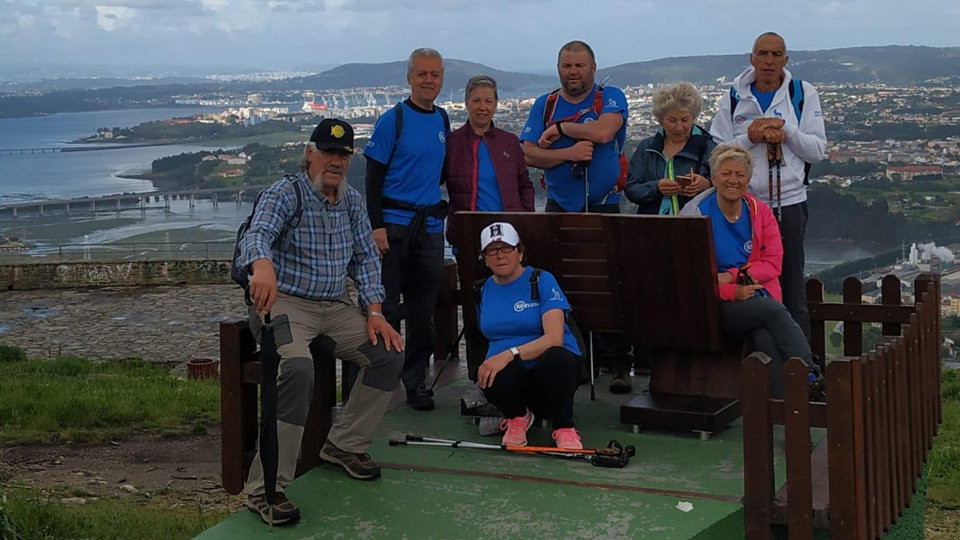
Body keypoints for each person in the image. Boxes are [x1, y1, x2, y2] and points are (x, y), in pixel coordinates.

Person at [237, 118, 404, 526]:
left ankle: (344, 443)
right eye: (328, 152)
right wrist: (262, 265)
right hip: (286, 303)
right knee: (295, 368)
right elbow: (257, 233)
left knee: (388, 353)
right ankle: (265, 488)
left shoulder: (351, 203)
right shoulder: (286, 193)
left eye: (343, 154)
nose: (336, 161)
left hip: (334, 305)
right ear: (310, 153)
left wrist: (376, 312)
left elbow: (366, 259)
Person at [520, 40, 632, 393]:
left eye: (579, 65)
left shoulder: (610, 96)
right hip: (560, 204)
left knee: (609, 282)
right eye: (567, 65)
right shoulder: (545, 103)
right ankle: (575, 360)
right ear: (558, 68)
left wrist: (563, 130)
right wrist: (569, 153)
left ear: (593, 67)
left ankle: (617, 363)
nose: (572, 72)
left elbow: (603, 132)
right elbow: (529, 153)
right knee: (559, 285)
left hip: (602, 203)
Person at [709, 32, 826, 342]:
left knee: (790, 283)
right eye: (763, 54)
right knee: (746, 281)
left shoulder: (802, 94)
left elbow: (816, 150)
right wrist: (751, 135)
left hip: (788, 202)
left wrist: (785, 129)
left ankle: (801, 367)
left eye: (776, 55)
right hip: (742, 204)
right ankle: (759, 357)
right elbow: (716, 152)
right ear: (752, 58)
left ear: (785, 61)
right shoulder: (733, 96)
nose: (769, 61)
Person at [680, 144, 811, 397]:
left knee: (765, 338)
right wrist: (731, 291)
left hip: (754, 297)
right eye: (726, 173)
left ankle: (781, 406)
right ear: (714, 177)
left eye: (740, 175)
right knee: (772, 310)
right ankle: (811, 375)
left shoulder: (759, 211)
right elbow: (691, 277)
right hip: (712, 304)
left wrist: (730, 277)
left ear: (748, 180)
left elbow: (773, 262)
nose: (733, 180)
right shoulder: (695, 215)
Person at [364, 48, 449, 411]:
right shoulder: (392, 120)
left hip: (429, 228)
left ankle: (415, 383)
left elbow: (440, 174)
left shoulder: (443, 120)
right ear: (409, 78)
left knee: (422, 311)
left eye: (435, 74)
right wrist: (377, 226)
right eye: (422, 74)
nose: (429, 80)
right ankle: (375, 385)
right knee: (384, 308)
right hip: (394, 227)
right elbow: (373, 177)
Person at [444, 74, 535, 381]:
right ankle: (476, 374)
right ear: (466, 103)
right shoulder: (453, 142)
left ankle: (513, 370)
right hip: (469, 237)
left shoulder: (510, 142)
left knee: (511, 304)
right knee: (474, 310)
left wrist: (525, 220)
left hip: (509, 236)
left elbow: (525, 185)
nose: (483, 107)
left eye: (488, 101)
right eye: (476, 100)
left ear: (496, 104)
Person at [474, 221, 584, 449]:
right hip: (514, 375)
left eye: (507, 248)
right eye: (492, 251)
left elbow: (555, 338)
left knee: (557, 357)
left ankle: (564, 426)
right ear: (484, 258)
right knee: (487, 371)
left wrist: (508, 354)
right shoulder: (482, 289)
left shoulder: (541, 280)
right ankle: (516, 417)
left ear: (520, 252)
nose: (500, 256)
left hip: (549, 370)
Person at [624, 82, 715, 215]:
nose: (679, 127)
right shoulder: (647, 148)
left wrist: (706, 184)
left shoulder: (708, 147)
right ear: (660, 120)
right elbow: (631, 189)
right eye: (672, 121)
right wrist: (656, 187)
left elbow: (725, 184)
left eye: (685, 120)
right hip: (653, 226)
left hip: (693, 224)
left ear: (694, 118)